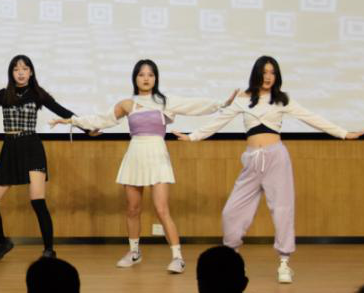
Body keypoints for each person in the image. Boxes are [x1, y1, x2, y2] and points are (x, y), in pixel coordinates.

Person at [175, 56, 364, 283]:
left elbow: (312, 118)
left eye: (272, 72)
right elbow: (218, 122)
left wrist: (343, 133)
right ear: (257, 73)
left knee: (283, 209)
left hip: (277, 158)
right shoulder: (243, 99)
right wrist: (192, 137)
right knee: (231, 211)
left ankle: (284, 262)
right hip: (252, 161)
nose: (268, 77)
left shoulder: (282, 100)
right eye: (264, 72)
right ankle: (233, 258)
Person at [52, 59, 232, 274]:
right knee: (132, 209)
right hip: (135, 155)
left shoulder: (165, 102)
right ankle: (134, 252)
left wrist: (221, 104)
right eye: (141, 74)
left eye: (150, 75)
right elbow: (101, 119)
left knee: (162, 209)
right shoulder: (127, 104)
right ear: (135, 78)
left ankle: (177, 257)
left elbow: (194, 105)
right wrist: (72, 121)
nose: (146, 78)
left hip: (157, 155)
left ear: (156, 78)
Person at [0, 55, 81, 261]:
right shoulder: (3, 95)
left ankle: (49, 250)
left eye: (24, 68)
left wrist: (88, 127)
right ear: (11, 73)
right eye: (16, 69)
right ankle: (1, 242)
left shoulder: (38, 94)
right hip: (10, 149)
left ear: (31, 72)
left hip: (32, 147)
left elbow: (64, 112)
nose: (20, 73)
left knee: (38, 201)